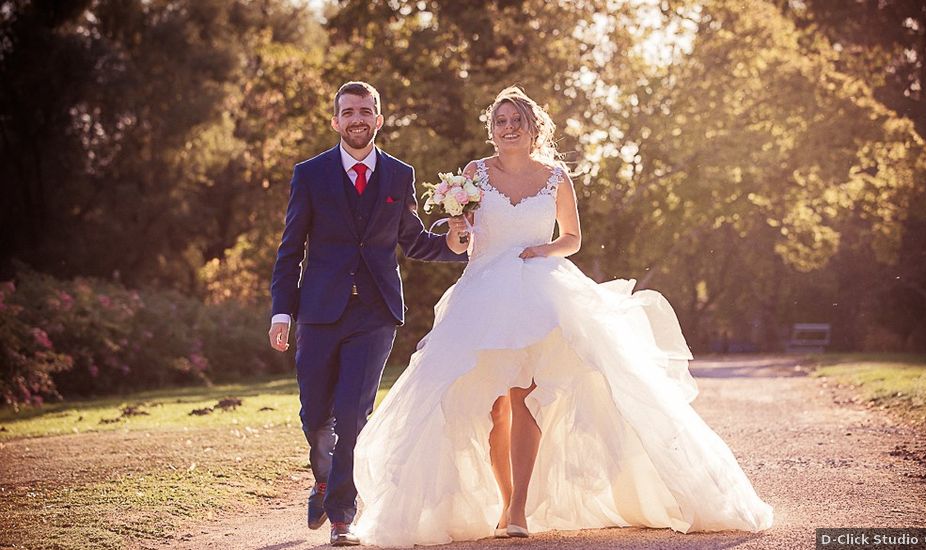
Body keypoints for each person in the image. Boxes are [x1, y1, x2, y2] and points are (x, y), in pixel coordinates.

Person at [352, 86, 774, 546]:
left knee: (524, 398)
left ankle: (518, 509)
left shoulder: (556, 178)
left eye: (517, 121)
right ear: (491, 130)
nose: (508, 128)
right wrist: (456, 231)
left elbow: (572, 237)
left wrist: (542, 250)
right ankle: (502, 498)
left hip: (539, 291)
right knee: (493, 408)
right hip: (483, 296)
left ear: (534, 129)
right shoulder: (473, 174)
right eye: (500, 121)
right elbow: (464, 240)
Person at [268, 81, 469, 547]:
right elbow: (290, 248)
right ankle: (323, 478)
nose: (358, 118)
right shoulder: (310, 174)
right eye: (349, 111)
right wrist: (282, 311)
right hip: (318, 311)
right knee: (316, 416)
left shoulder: (400, 175)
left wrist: (458, 245)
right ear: (336, 120)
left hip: (376, 313)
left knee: (353, 414)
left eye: (366, 111)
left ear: (379, 119)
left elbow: (414, 240)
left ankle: (342, 513)